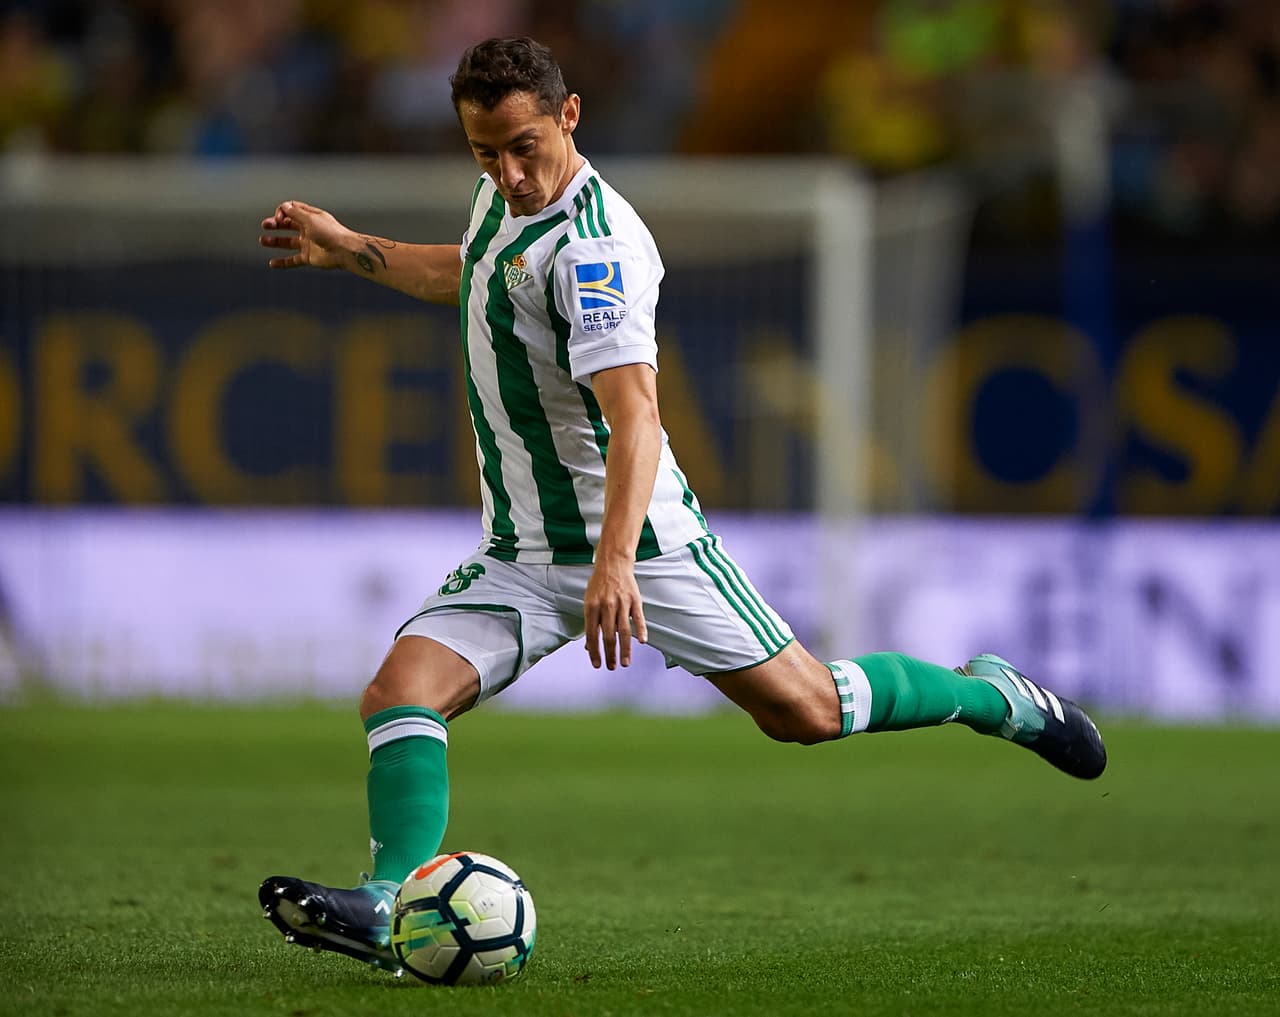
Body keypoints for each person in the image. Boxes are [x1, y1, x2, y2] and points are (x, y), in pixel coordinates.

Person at [256, 36, 1106, 975]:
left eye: (524, 147)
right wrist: (355, 251)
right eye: (484, 153)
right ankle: (389, 902)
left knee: (807, 709)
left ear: (569, 115)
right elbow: (476, 275)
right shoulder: (509, 199)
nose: (508, 172)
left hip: (647, 543)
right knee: (399, 694)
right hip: (524, 548)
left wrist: (617, 559)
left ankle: (994, 697)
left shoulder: (596, 250)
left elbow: (638, 418)